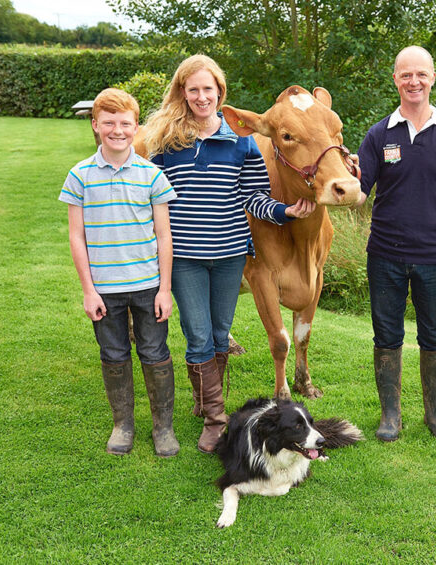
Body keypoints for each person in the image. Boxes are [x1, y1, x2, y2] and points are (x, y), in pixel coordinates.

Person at [140, 54, 315, 454]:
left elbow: (253, 197)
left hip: (230, 253)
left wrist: (284, 211)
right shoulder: (168, 141)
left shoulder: (243, 141)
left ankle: (207, 401)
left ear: (220, 92)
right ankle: (215, 420)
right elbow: (149, 194)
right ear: (182, 93)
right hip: (184, 256)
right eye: (194, 89)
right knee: (198, 335)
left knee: (220, 336)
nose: (202, 97)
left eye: (209, 89)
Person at [357, 46, 436, 446]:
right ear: (395, 79)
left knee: (434, 336)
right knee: (386, 335)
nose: (414, 82)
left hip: (433, 258)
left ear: (432, 78)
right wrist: (330, 184)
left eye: (421, 75)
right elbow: (358, 194)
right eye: (406, 75)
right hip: (385, 256)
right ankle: (390, 416)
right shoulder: (379, 134)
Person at [60, 88, 179, 457]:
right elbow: (77, 237)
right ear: (96, 126)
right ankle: (123, 424)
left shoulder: (151, 175)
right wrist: (88, 290)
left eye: (125, 123)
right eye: (108, 123)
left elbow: (163, 235)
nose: (117, 130)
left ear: (135, 126)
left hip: (147, 286)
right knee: (113, 353)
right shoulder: (80, 176)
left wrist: (164, 289)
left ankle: (163, 427)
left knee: (154, 351)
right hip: (104, 289)